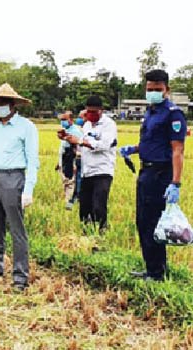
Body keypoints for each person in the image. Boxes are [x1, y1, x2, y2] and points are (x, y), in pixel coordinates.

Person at [120, 69, 187, 281]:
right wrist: (134, 149)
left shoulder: (173, 113)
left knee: (150, 222)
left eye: (158, 89)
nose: (153, 93)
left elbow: (178, 150)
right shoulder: (151, 111)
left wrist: (175, 183)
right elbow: (151, 141)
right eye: (150, 89)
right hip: (146, 170)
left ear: (167, 89)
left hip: (160, 174)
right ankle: (155, 268)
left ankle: (155, 273)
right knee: (144, 221)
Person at [0, 83, 39, 291]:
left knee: (16, 229)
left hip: (14, 179)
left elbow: (32, 160)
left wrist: (28, 189)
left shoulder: (26, 127)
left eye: (1, 103)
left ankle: (20, 276)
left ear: (12, 104)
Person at [63, 96, 117, 233]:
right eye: (88, 112)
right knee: (84, 207)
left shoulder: (109, 125)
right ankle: (86, 234)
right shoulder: (86, 126)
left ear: (101, 111)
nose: (91, 115)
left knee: (99, 205)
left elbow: (103, 145)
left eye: (94, 112)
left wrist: (80, 141)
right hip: (87, 171)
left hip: (103, 171)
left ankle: (101, 233)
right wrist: (70, 140)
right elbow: (83, 146)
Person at [56, 111, 83, 210]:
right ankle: (69, 201)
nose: (62, 122)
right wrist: (58, 163)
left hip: (71, 159)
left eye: (64, 119)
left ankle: (69, 203)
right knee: (66, 182)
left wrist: (74, 163)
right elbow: (63, 148)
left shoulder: (75, 131)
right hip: (64, 159)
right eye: (61, 120)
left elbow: (78, 147)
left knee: (71, 182)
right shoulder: (65, 130)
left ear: (71, 120)